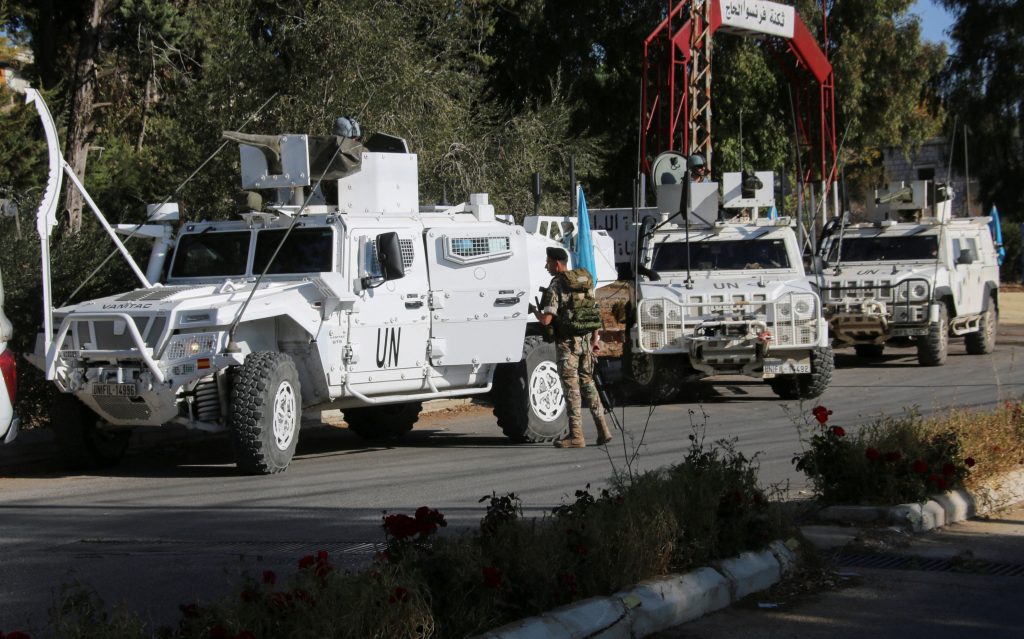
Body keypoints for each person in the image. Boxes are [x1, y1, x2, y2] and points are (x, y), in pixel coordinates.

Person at [532, 247, 614, 448]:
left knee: (571, 388)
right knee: (588, 383)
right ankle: (603, 429)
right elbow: (594, 314)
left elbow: (546, 319)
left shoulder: (556, 285)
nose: (546, 266)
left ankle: (576, 435)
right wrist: (595, 340)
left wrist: (533, 310)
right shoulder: (584, 282)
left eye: (548, 262)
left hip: (567, 344)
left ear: (557, 264)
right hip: (586, 342)